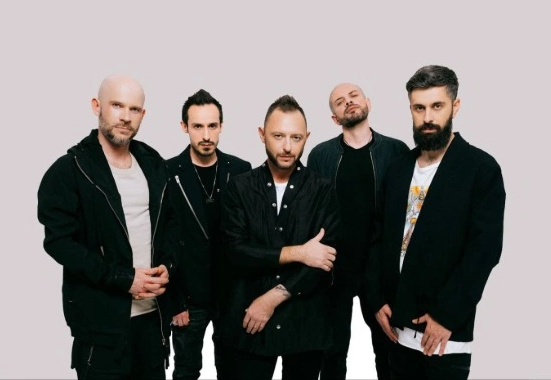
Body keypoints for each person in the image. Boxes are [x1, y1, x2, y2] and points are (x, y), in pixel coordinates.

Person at [365, 65, 506, 379]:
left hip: (444, 337)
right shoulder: (398, 168)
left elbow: (484, 251)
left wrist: (447, 315)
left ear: (455, 106)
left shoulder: (481, 169)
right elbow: (377, 236)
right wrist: (375, 299)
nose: (427, 117)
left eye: (437, 106)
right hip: (396, 330)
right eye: (419, 108)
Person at [37, 75, 179, 380]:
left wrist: (168, 266)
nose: (126, 117)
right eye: (117, 105)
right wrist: (123, 279)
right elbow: (60, 243)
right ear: (96, 106)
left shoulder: (153, 164)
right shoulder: (70, 170)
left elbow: (170, 227)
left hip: (152, 322)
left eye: (134, 109)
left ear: (143, 114)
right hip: (101, 329)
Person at [216, 95, 341, 380]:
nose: (287, 147)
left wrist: (272, 298)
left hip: (304, 323)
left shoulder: (323, 189)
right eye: (278, 136)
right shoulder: (239, 187)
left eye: (296, 137)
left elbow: (323, 262)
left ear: (307, 137)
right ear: (262, 135)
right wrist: (299, 252)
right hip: (249, 323)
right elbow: (236, 251)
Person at [307, 83, 409, 380]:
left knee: (388, 350)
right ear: (334, 118)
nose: (348, 102)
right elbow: (312, 212)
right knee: (332, 353)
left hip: (380, 269)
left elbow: (405, 213)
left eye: (353, 96)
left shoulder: (396, 151)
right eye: (339, 102)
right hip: (334, 270)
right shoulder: (321, 155)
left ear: (368, 103)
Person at [166, 89, 252, 380]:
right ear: (184, 127)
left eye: (212, 126)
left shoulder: (240, 170)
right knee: (186, 371)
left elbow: (249, 235)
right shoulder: (167, 172)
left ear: (221, 126)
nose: (206, 135)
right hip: (188, 297)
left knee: (233, 370)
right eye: (198, 126)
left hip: (232, 296)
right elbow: (162, 240)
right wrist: (174, 301)